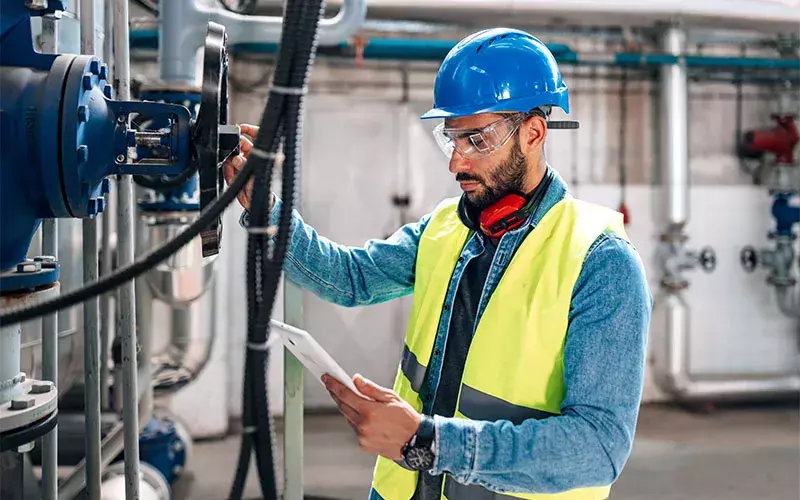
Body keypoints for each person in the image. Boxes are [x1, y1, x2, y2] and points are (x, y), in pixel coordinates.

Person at [223, 27, 652, 500]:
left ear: (533, 133)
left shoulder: (600, 261)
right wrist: (266, 209)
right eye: (452, 139)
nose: (457, 164)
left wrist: (425, 441)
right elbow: (350, 279)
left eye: (477, 140)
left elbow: (599, 447)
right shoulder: (446, 226)